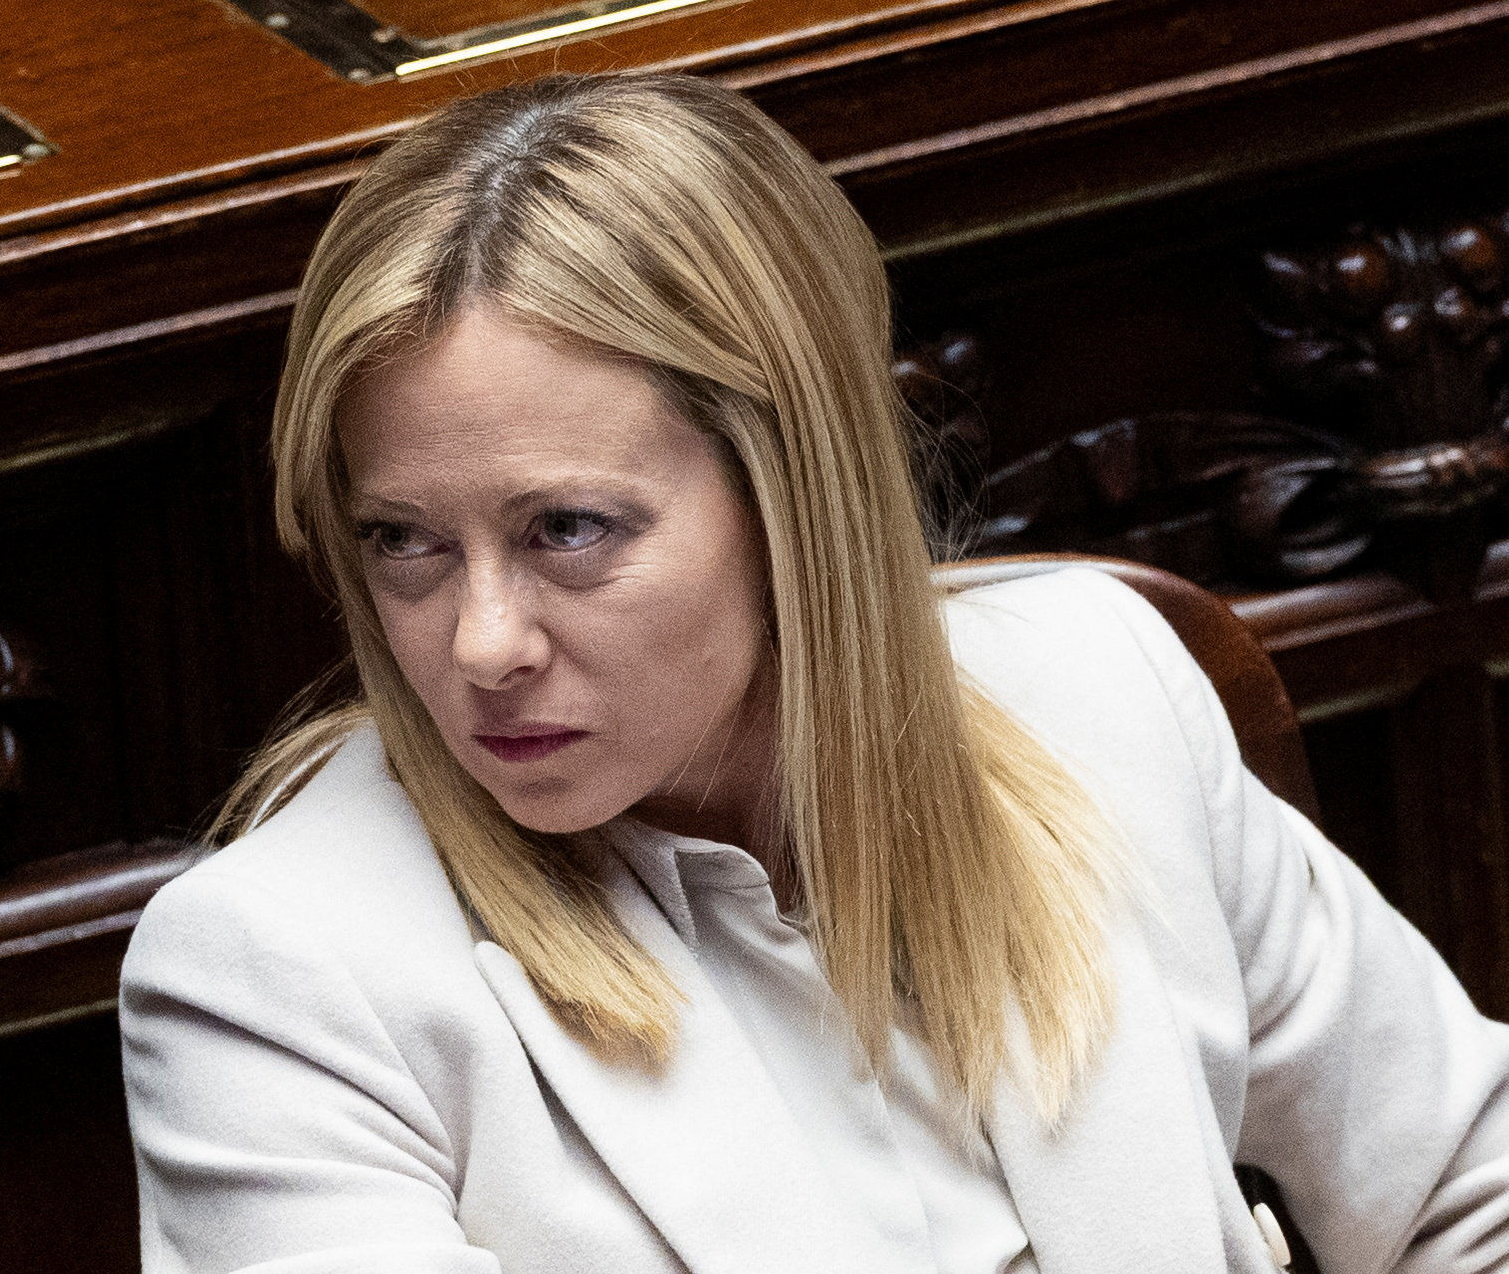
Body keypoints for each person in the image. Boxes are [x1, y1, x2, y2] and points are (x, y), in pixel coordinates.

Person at [117, 72, 1509, 1273]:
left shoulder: (1096, 685)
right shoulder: (277, 975)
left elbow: (1469, 1185)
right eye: (403, 541)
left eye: (567, 530)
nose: (481, 641)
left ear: (794, 496)